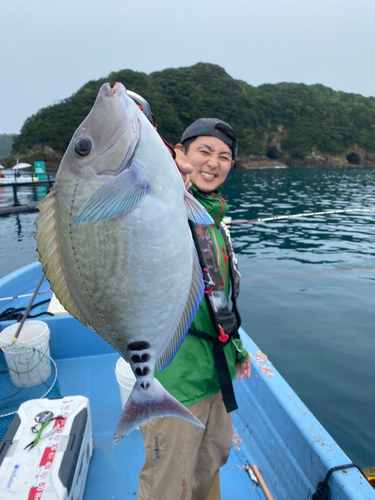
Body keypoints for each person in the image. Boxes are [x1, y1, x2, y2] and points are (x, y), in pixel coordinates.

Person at [138, 118, 251, 500]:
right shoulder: (162, 206)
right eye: (204, 151)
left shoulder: (216, 220)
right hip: (174, 382)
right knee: (168, 484)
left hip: (214, 375)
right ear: (179, 154)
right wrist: (168, 186)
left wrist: (237, 349)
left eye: (224, 156)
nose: (214, 162)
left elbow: (219, 296)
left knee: (210, 464)